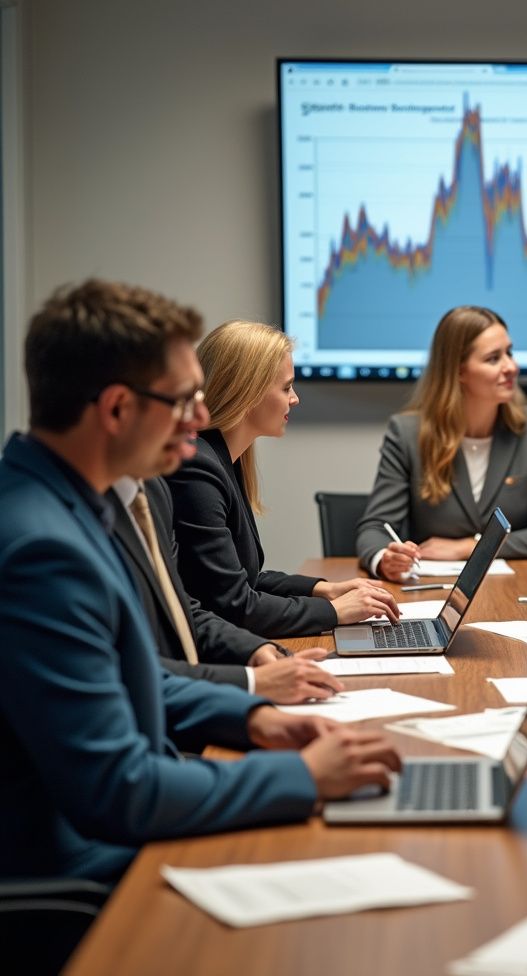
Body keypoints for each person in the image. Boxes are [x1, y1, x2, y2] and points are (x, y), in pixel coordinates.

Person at [0, 280, 400, 883]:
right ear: (116, 409)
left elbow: (129, 682)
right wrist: (302, 775)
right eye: (184, 400)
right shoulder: (42, 549)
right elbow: (119, 789)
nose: (201, 417)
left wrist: (251, 717)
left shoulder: (75, 505)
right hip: (76, 864)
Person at [166, 321, 399, 638]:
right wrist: (334, 612)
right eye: (286, 387)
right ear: (247, 391)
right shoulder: (198, 472)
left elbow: (245, 579)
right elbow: (235, 605)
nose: (295, 399)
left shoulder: (221, 459)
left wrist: (324, 589)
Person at [355, 306, 527, 580]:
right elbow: (374, 529)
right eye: (494, 358)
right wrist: (384, 559)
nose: (511, 367)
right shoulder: (407, 433)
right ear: (459, 371)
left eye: (509, 353)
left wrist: (470, 547)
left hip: (516, 590)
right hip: (430, 594)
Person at [109, 475, 344, 704]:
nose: (191, 445)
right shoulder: (187, 475)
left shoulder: (152, 488)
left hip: (187, 702)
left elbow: (182, 610)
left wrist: (253, 649)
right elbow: (125, 669)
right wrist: (252, 682)